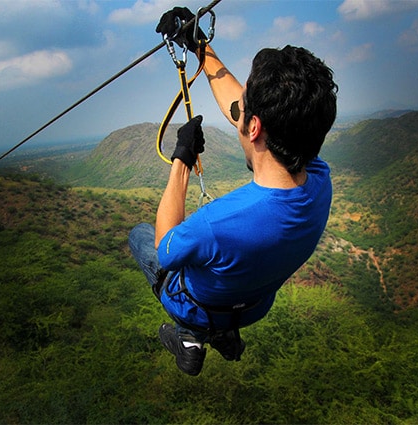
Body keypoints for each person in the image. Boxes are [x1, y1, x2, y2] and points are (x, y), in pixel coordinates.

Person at [129, 7, 337, 376]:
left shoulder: (218, 222)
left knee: (141, 237)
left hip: (198, 303)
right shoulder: (320, 181)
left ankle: (190, 335)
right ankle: (223, 333)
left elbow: (166, 248)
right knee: (224, 271)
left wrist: (182, 159)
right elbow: (239, 105)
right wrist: (199, 46)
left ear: (253, 127)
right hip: (253, 305)